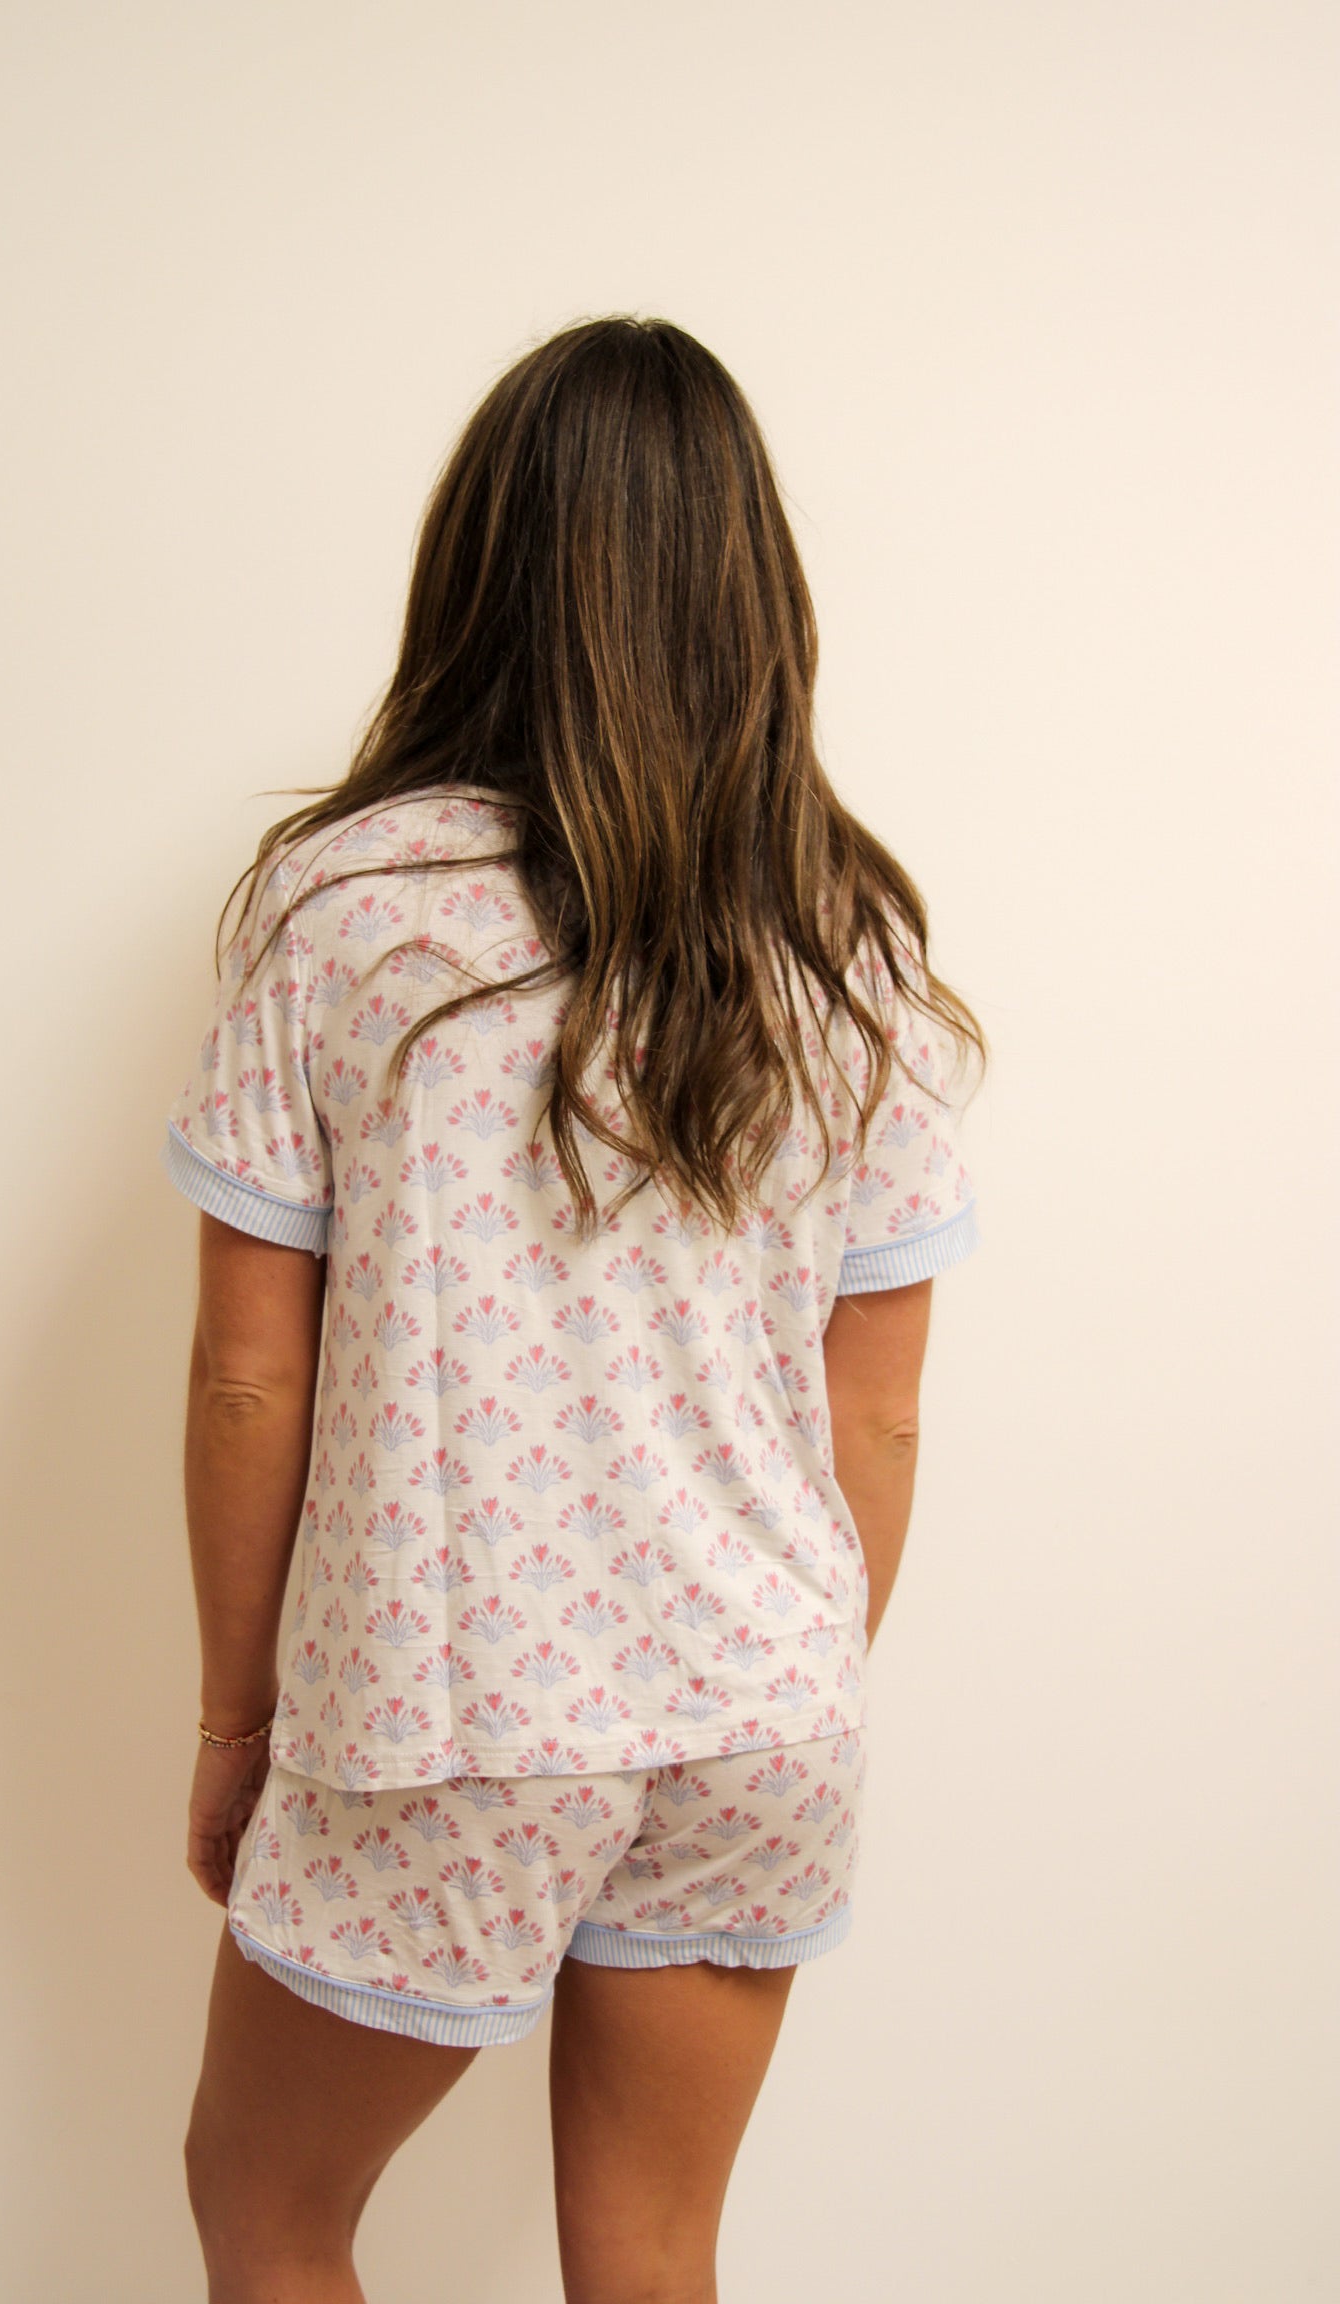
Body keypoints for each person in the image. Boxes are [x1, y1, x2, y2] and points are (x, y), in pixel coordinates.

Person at [159, 313, 987, 2304]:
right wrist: (768, 1677)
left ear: (482, 565)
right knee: (654, 2252)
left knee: (265, 2208)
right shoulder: (846, 937)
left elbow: (254, 1377)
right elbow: (876, 1415)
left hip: (452, 1708)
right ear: (753, 594)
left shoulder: (347, 904)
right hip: (765, 1709)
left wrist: (238, 1719)